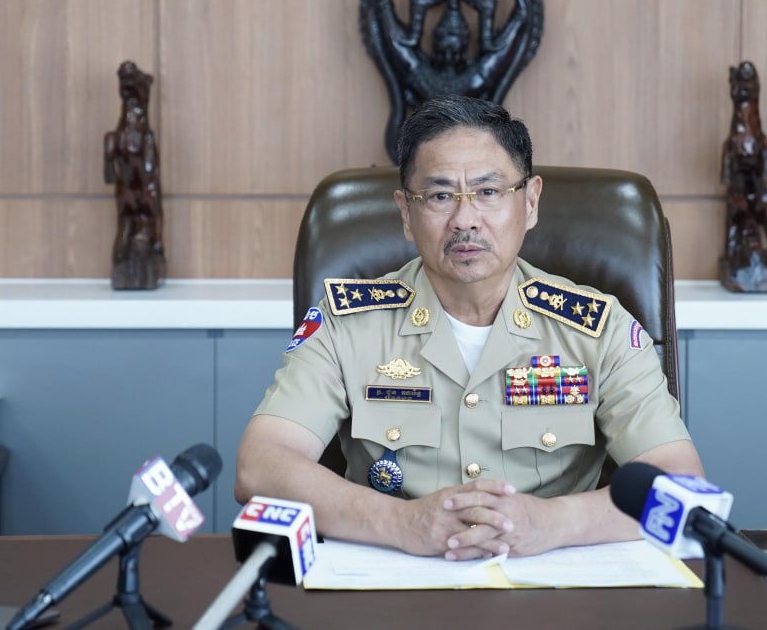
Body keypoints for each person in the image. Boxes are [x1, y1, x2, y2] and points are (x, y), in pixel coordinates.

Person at [235, 96, 703, 560]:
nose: (465, 220)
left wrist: (552, 523)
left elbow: (682, 484)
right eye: (440, 196)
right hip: (393, 580)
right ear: (406, 213)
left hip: (552, 580)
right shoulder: (348, 324)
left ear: (531, 201)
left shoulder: (597, 328)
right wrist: (402, 522)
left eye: (489, 192)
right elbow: (259, 466)